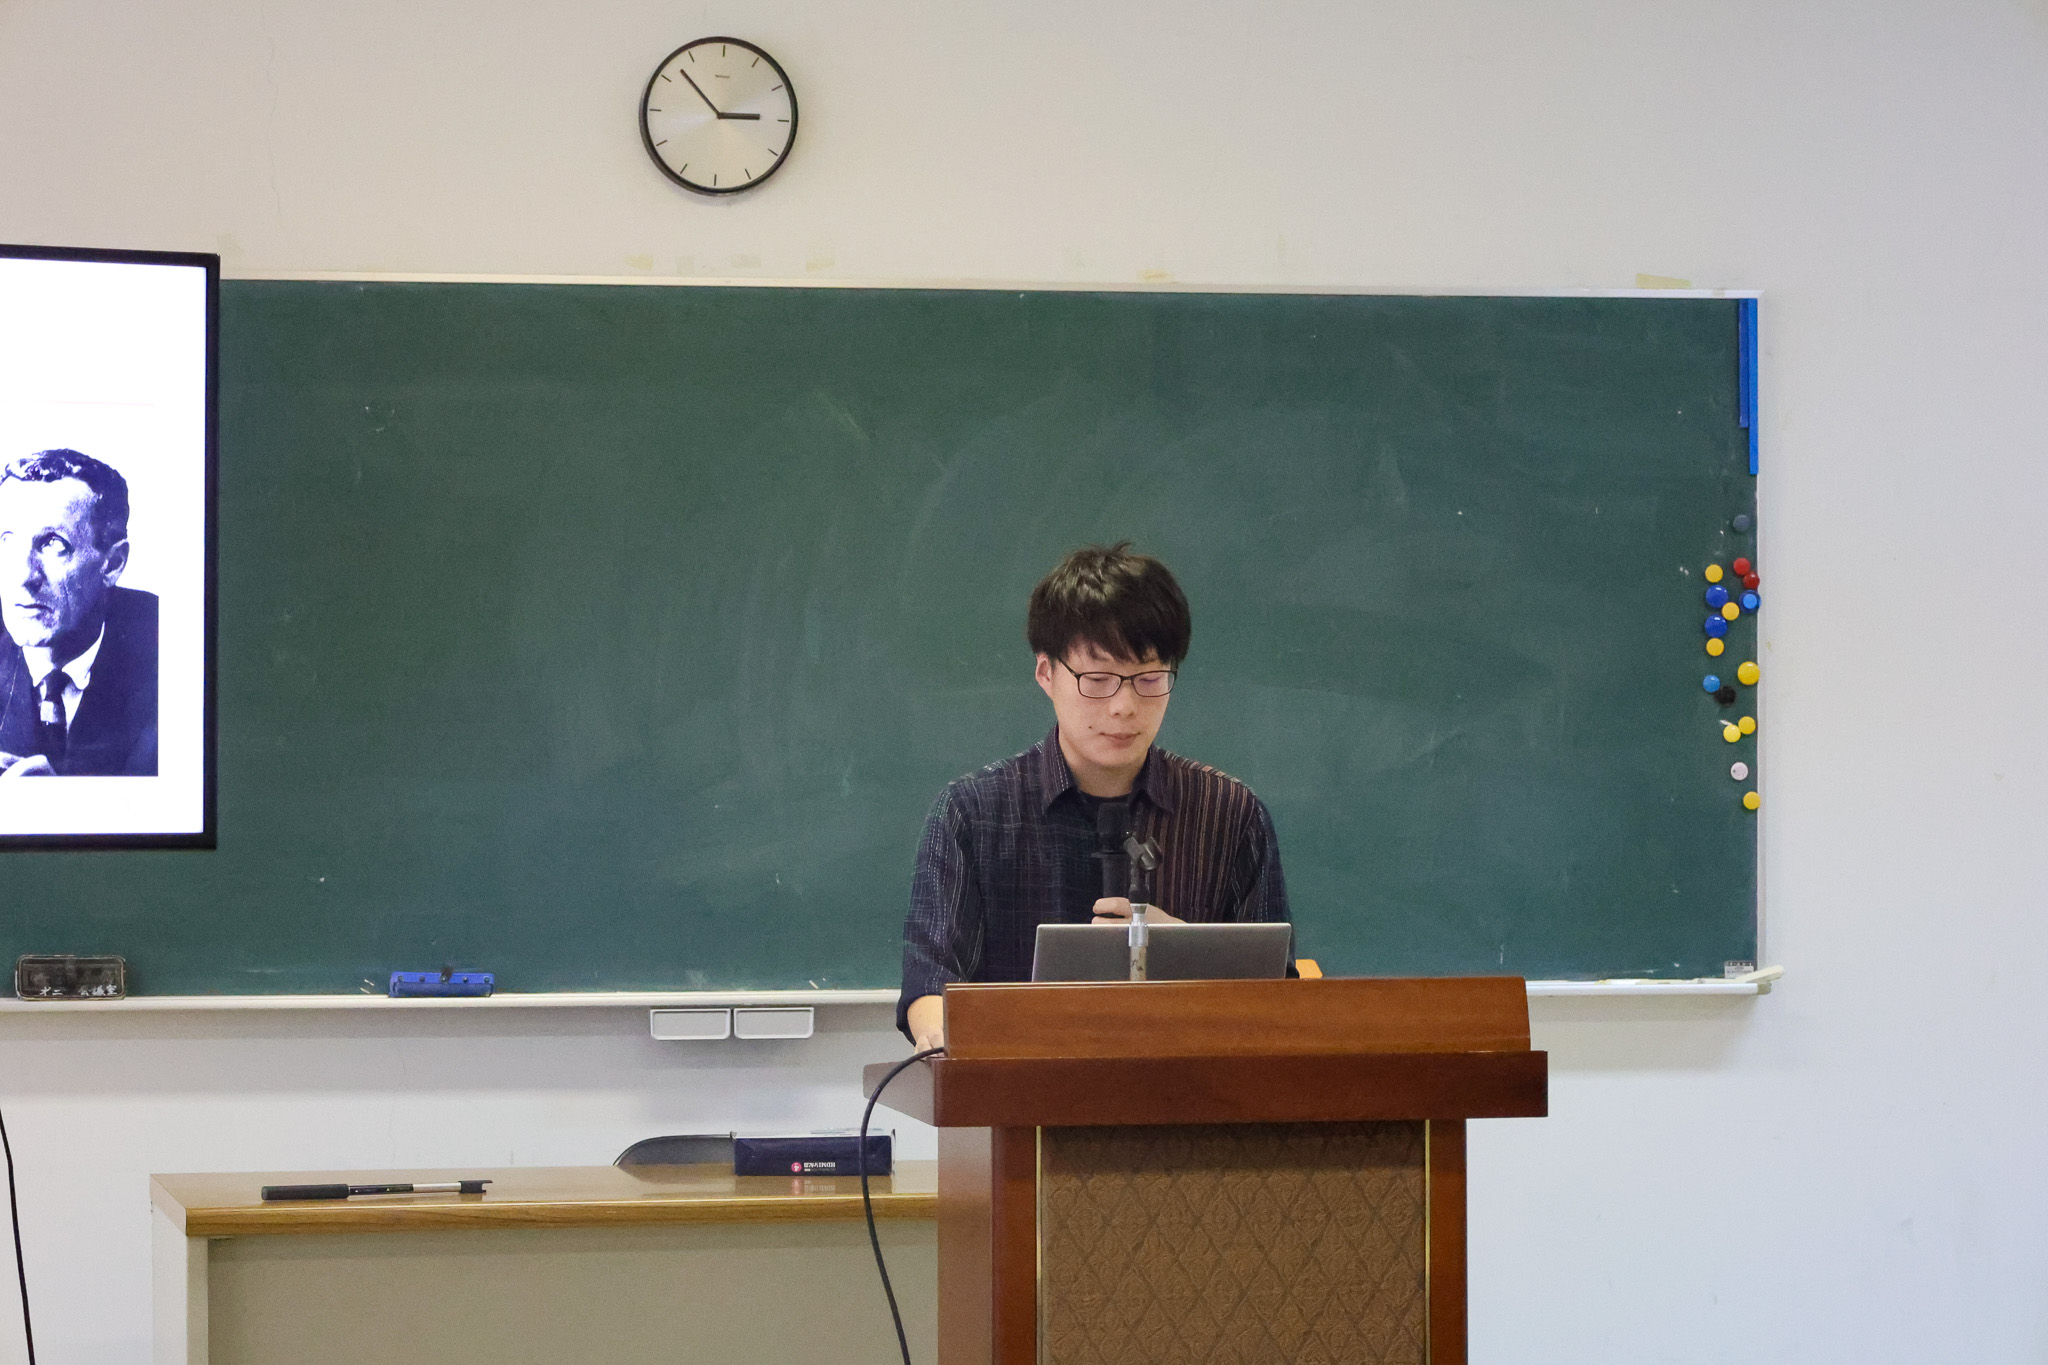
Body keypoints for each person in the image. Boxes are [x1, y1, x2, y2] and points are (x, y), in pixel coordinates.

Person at [898, 542, 1288, 1050]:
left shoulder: (1229, 813)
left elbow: (1279, 1001)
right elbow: (930, 986)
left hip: (1191, 1088)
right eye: (1098, 679)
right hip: (1019, 1090)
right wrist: (939, 1034)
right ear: (1046, 674)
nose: (1124, 706)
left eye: (1149, 679)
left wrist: (1185, 951)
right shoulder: (972, 814)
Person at [0, 449, 158, 777]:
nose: (23, 576)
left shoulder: (169, 644)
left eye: (54, 544)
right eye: (7, 541)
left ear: (112, 564)